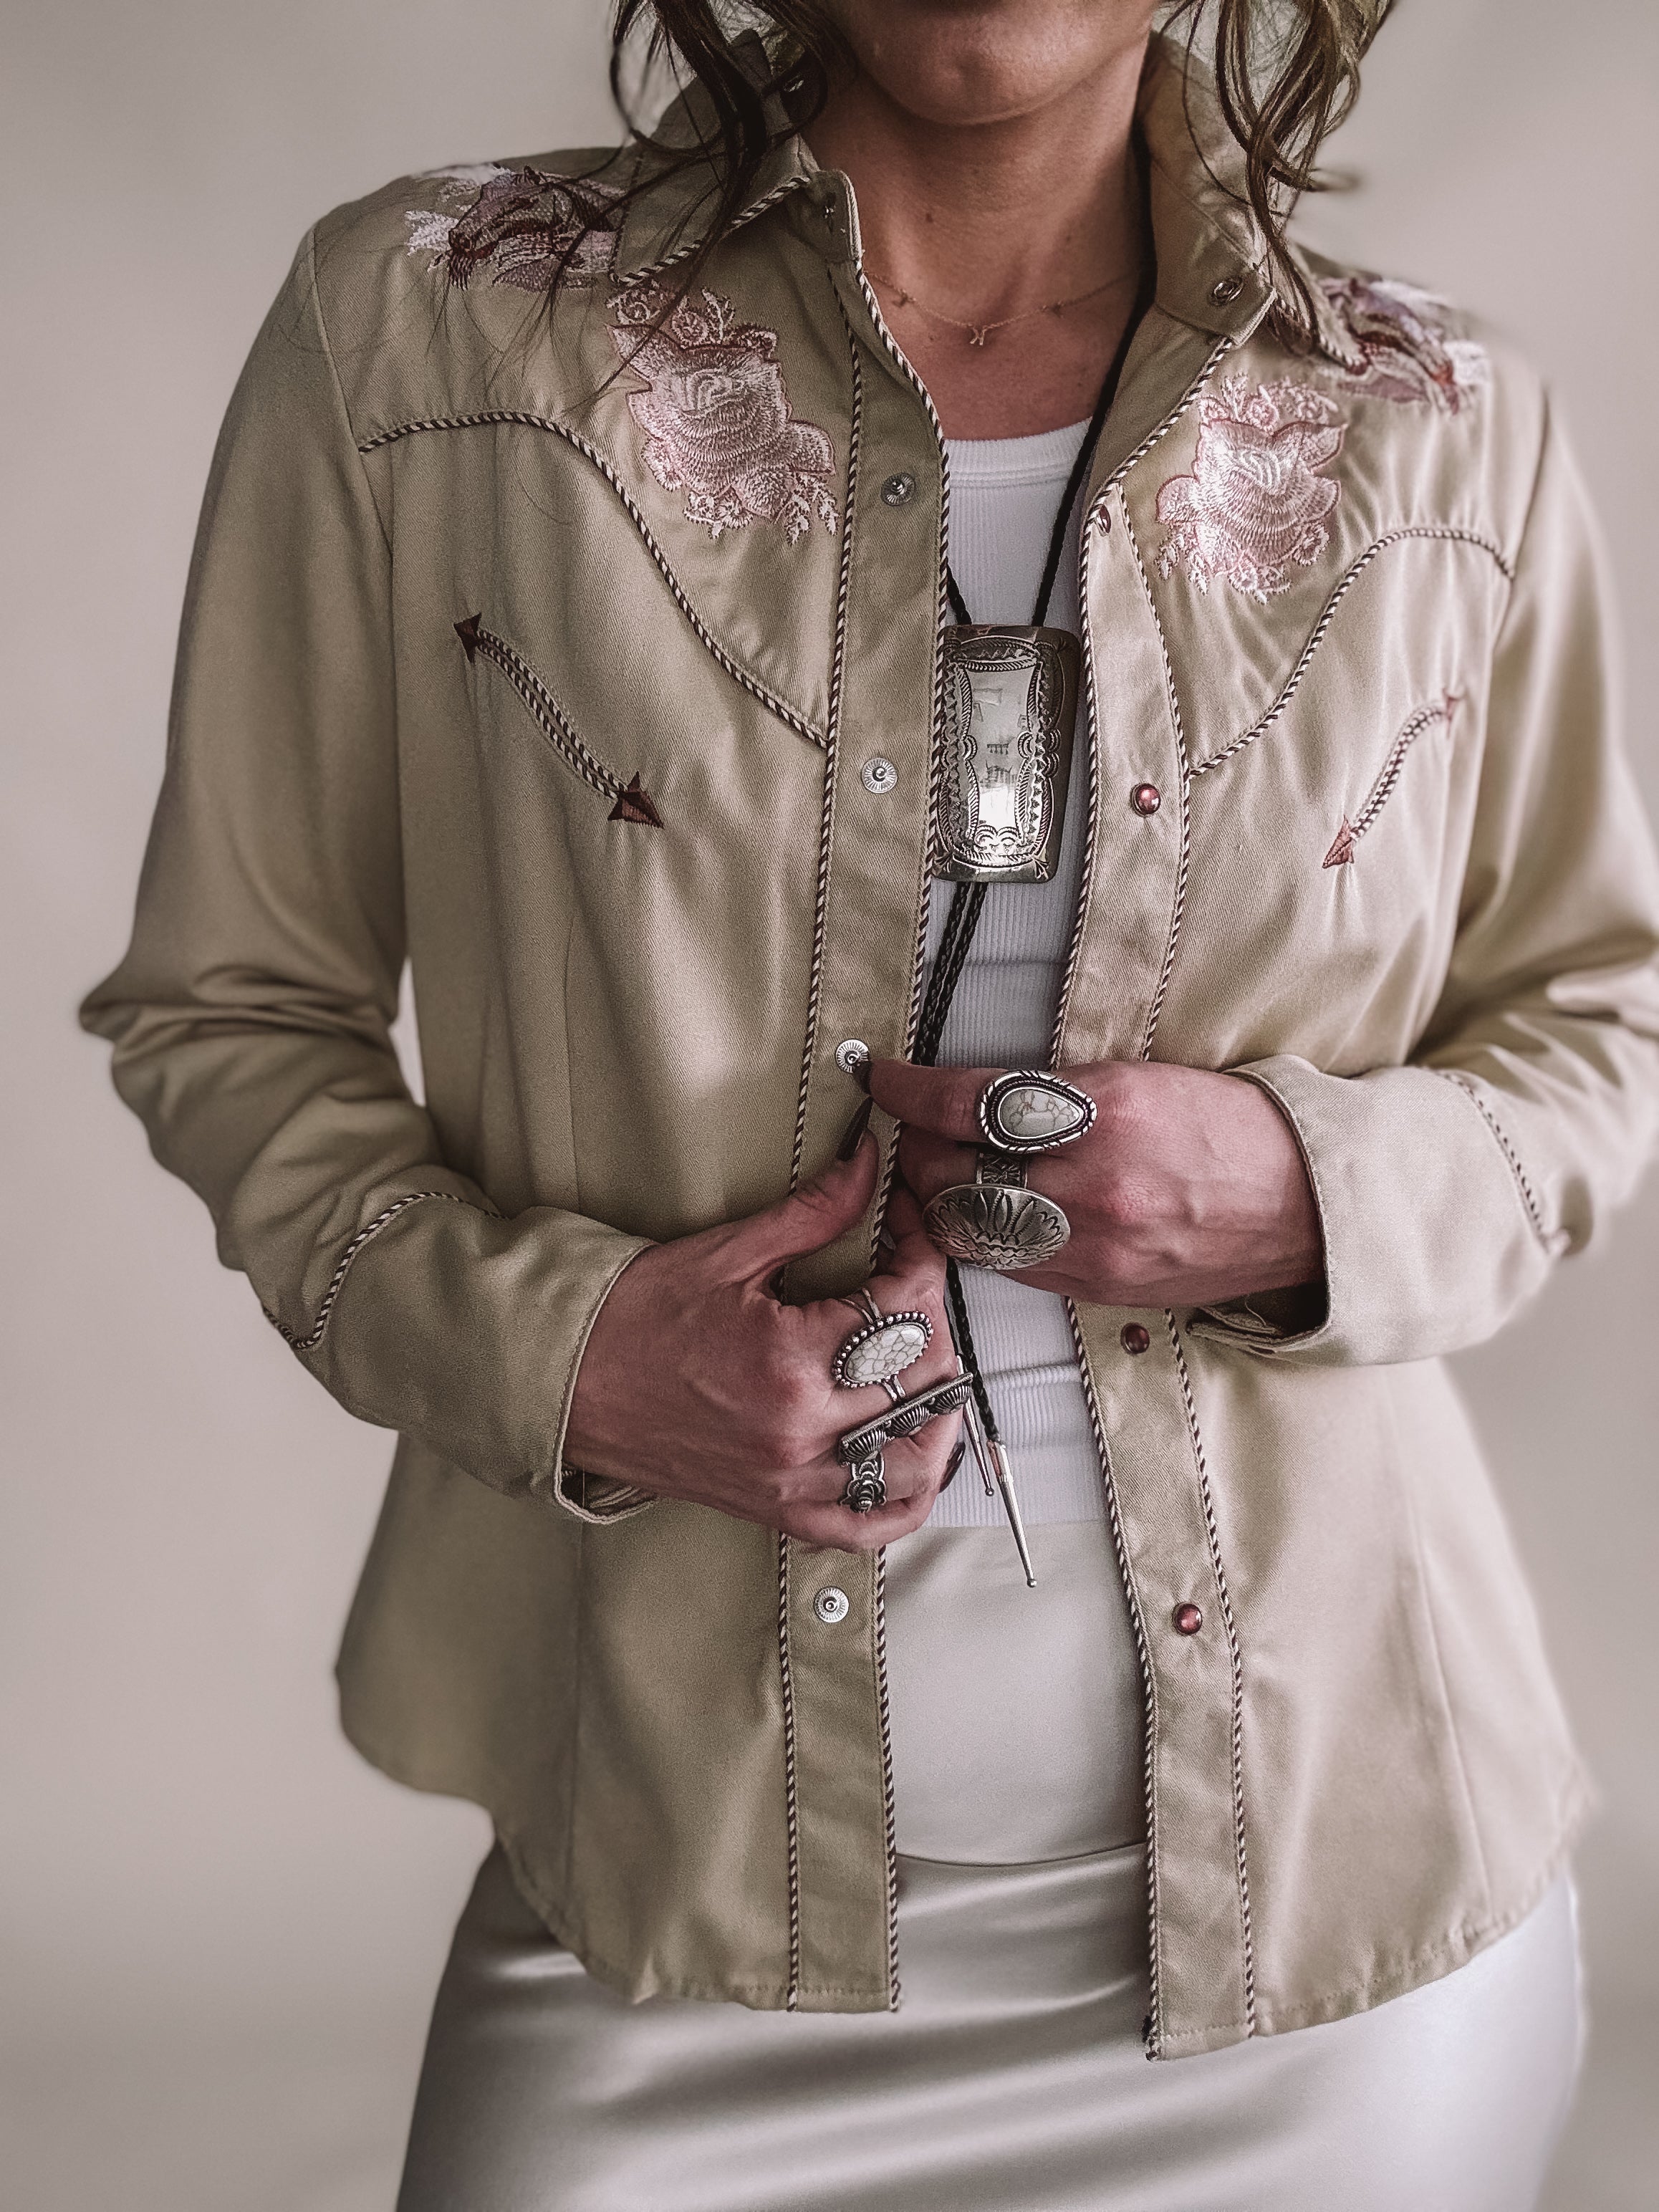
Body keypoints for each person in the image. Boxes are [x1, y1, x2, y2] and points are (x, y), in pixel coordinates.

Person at [81, 0, 1659, 2204]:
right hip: (674, 1889)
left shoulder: (1435, 419)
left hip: (1319, 1939)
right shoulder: (435, 333)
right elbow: (232, 1005)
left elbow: (1600, 1023)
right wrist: (568, 1351)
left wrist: (1312, 1187)